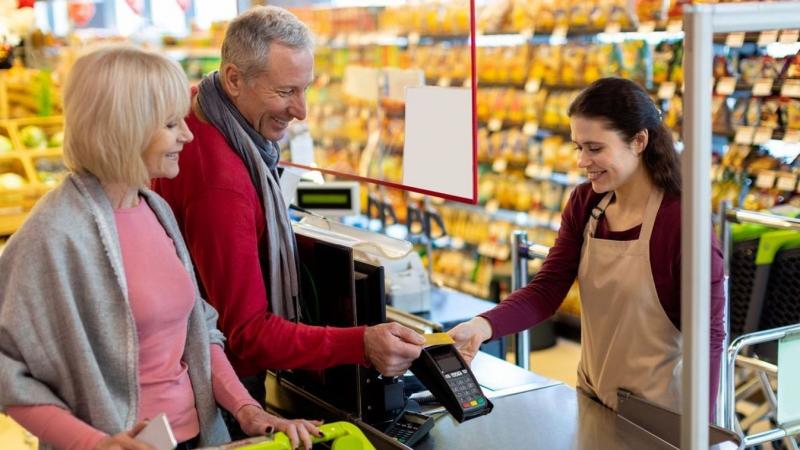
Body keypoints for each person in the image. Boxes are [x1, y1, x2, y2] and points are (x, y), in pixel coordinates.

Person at [0, 46, 320, 450]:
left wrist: (246, 409)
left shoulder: (153, 208)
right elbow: (8, 369)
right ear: (125, 129)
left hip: (198, 437)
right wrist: (95, 443)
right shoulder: (54, 232)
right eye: (171, 124)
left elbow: (197, 329)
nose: (187, 134)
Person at [152, 5, 424, 405]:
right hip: (218, 389)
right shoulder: (222, 184)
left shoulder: (202, 105)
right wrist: (362, 344)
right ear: (233, 79)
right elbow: (247, 334)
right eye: (285, 92)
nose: (301, 111)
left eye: (305, 89)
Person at [448, 77, 726, 414]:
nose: (582, 160)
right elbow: (547, 290)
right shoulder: (585, 204)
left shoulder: (681, 222)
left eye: (595, 148)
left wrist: (700, 432)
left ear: (639, 141)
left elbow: (707, 338)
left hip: (663, 416)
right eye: (578, 146)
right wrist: (482, 326)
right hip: (594, 397)